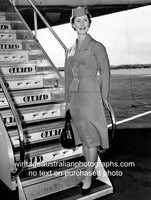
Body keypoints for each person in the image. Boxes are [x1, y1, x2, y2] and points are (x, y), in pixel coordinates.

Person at [64, 6, 110, 195]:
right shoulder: (69, 49)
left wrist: (104, 96)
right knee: (83, 137)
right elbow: (67, 77)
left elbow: (105, 71)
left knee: (91, 139)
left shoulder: (97, 46)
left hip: (91, 96)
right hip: (75, 98)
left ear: (89, 22)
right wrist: (66, 101)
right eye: (78, 21)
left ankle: (89, 177)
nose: (82, 24)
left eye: (85, 20)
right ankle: (88, 174)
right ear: (73, 24)